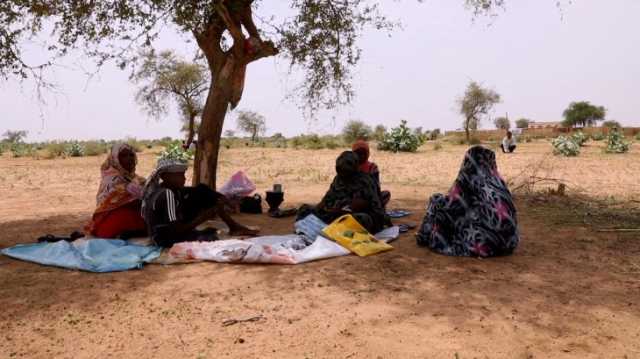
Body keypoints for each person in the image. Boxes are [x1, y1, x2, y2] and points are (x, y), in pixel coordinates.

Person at [416, 146, 520, 257]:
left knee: (437, 200)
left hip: (484, 244)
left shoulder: (469, 176)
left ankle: (424, 235)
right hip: (509, 243)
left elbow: (451, 205)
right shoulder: (498, 181)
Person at [141, 158, 258, 248]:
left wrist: (219, 199)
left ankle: (234, 227)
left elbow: (199, 191)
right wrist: (202, 218)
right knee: (210, 237)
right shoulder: (167, 194)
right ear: (164, 177)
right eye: (180, 175)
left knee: (201, 190)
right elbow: (175, 230)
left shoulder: (163, 190)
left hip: (163, 234)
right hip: (163, 239)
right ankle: (233, 227)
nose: (184, 178)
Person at [297, 151, 386, 234]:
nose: (342, 175)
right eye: (340, 171)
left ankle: (334, 232)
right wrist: (320, 208)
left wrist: (356, 206)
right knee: (304, 209)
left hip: (354, 217)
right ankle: (317, 230)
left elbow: (377, 210)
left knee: (363, 219)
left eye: (346, 172)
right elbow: (327, 198)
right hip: (334, 216)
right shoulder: (338, 179)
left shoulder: (366, 181)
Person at [85, 143, 147, 238]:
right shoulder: (112, 180)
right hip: (111, 222)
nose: (129, 158)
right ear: (115, 159)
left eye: (131, 155)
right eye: (123, 156)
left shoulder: (137, 179)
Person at [352, 140, 391, 207]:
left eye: (363, 153)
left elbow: (376, 186)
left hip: (368, 196)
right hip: (354, 197)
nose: (361, 156)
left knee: (386, 194)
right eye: (358, 153)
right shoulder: (350, 166)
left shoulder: (372, 167)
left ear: (367, 154)